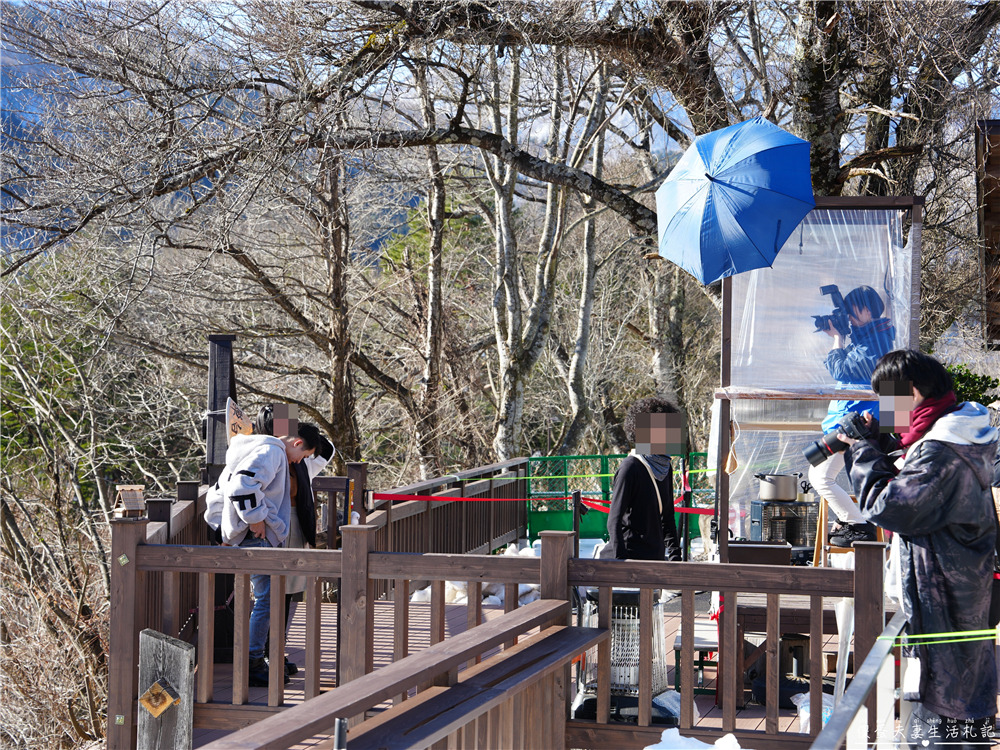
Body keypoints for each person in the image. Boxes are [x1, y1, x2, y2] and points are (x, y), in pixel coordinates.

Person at [839, 350, 997, 748]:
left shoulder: (942, 451)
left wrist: (861, 449)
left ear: (910, 392)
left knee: (941, 726)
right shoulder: (955, 437)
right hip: (956, 606)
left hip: (944, 611)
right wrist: (881, 445)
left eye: (886, 398)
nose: (881, 408)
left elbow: (890, 507)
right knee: (961, 720)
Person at [204, 408, 317, 687]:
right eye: (303, 456)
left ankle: (260, 657)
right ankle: (253, 662)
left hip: (254, 533)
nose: (300, 462)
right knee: (267, 600)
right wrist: (256, 520)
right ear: (298, 444)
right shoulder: (273, 451)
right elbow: (243, 487)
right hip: (258, 535)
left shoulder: (261, 447)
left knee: (268, 599)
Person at [810, 285, 895, 547]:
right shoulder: (874, 336)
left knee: (819, 476)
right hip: (854, 422)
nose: (848, 317)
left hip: (857, 424)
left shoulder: (876, 343)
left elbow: (842, 370)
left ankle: (858, 524)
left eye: (852, 311)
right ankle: (854, 522)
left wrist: (837, 340)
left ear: (868, 311)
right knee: (823, 472)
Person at [253, 404, 334, 676]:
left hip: (296, 525)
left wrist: (291, 425)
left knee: (286, 594)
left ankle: (275, 650)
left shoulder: (300, 459)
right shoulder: (262, 455)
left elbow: (327, 448)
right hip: (271, 527)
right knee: (269, 595)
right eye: (277, 425)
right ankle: (262, 654)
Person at [601, 397, 684, 561]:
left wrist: (675, 557)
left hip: (655, 560)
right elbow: (614, 521)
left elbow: (667, 518)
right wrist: (622, 560)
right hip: (630, 560)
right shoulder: (630, 467)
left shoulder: (665, 467)